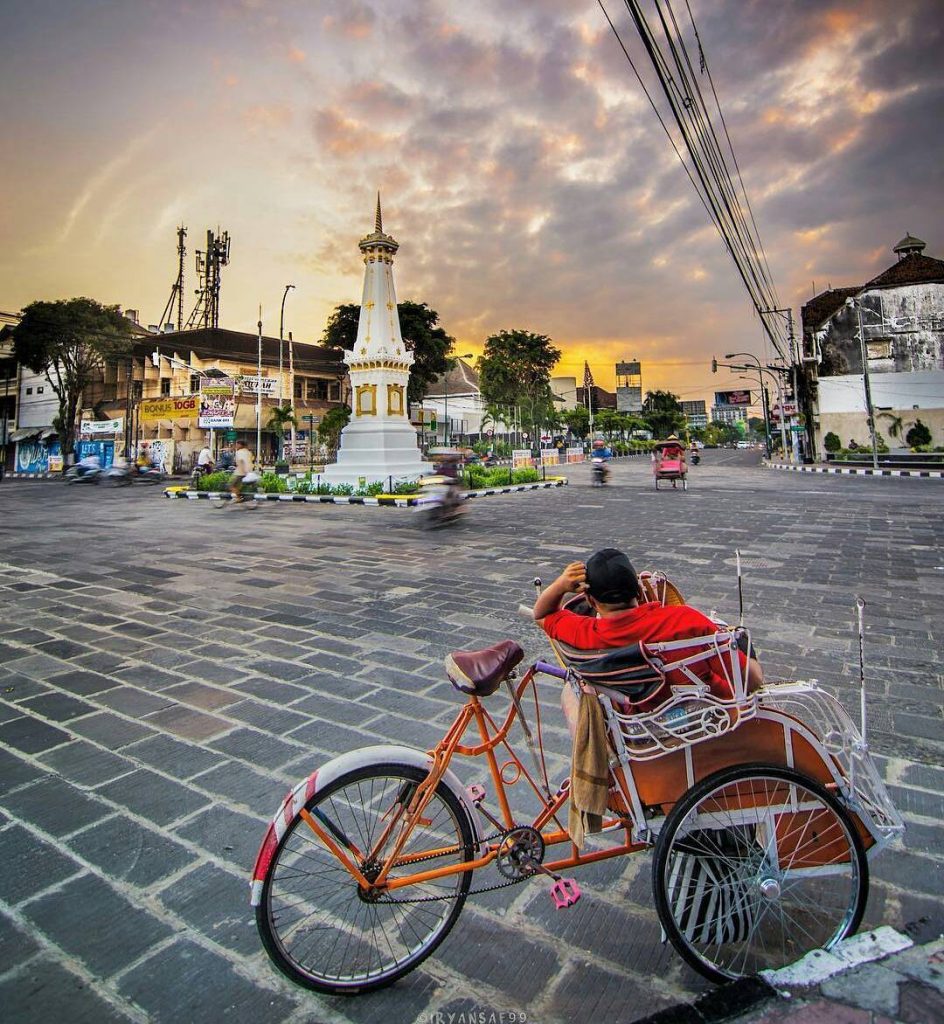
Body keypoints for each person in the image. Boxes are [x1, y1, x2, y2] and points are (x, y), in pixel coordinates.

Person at [534, 548, 764, 725]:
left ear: (591, 601)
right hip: (710, 716)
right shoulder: (685, 620)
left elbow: (541, 613)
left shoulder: (583, 634)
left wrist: (560, 585)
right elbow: (750, 682)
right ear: (638, 590)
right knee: (740, 640)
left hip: (640, 725)